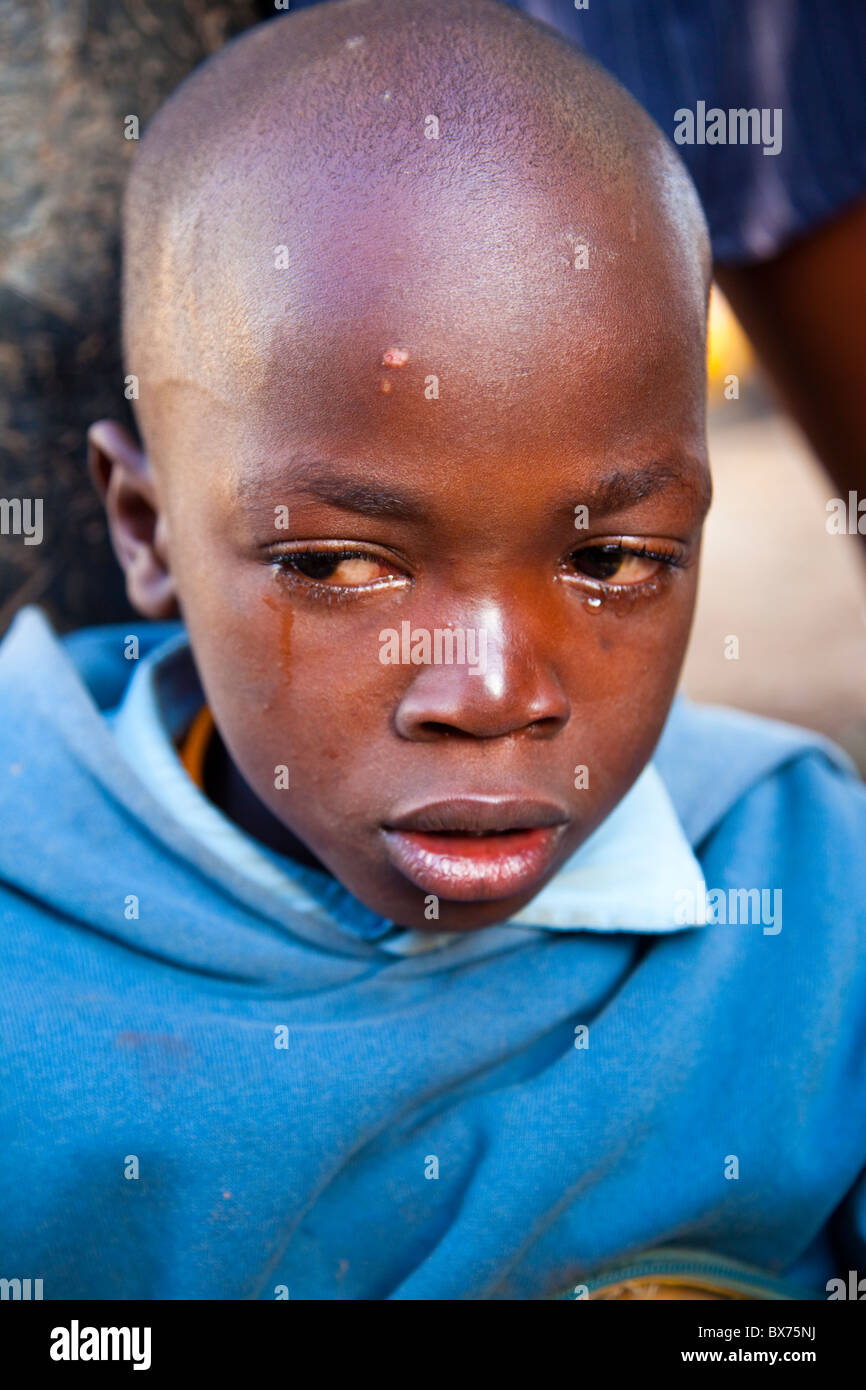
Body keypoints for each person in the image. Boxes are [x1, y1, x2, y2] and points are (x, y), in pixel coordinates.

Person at [0, 0, 863, 1300]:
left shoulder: (808, 907)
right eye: (339, 565)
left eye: (611, 560)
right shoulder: (30, 963)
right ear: (147, 532)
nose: (494, 692)